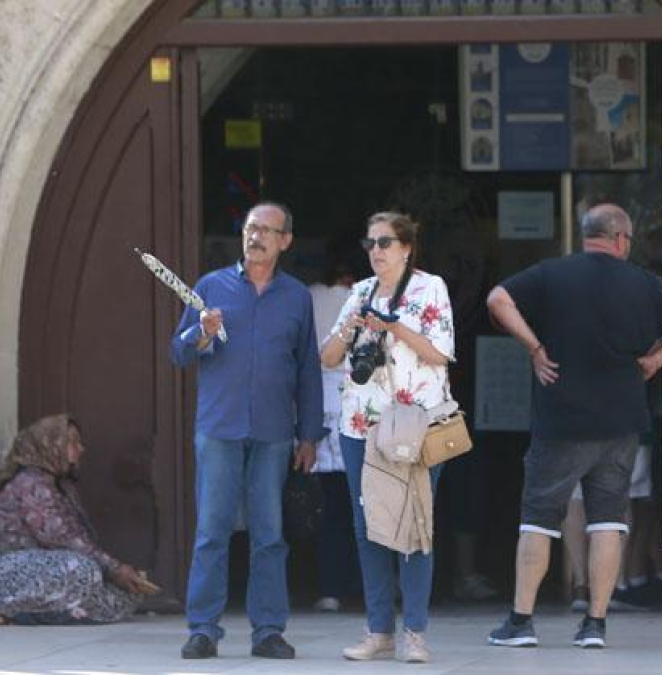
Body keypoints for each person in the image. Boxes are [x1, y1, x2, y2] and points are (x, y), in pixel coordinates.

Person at [486, 203, 662, 649]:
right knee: (609, 521)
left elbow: (497, 299)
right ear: (622, 239)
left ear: (586, 235)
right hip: (621, 424)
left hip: (560, 421)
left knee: (538, 522)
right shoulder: (643, 283)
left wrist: (533, 347)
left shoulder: (552, 274)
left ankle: (521, 621)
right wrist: (656, 360)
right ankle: (595, 624)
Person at [170, 202, 324, 660]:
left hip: (275, 430)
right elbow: (177, 354)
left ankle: (268, 630)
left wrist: (309, 434)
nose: (255, 236)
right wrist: (199, 332)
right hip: (219, 427)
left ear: (285, 241)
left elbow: (307, 370)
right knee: (212, 530)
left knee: (270, 534)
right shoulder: (210, 287)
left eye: (266, 230)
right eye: (250, 228)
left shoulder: (296, 296)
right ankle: (203, 629)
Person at [320, 211, 455, 664]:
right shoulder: (358, 292)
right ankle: (378, 631)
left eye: (384, 242)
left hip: (414, 421)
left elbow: (440, 353)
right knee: (369, 528)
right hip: (362, 424)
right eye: (370, 243)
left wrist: (393, 327)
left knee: (416, 524)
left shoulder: (429, 287)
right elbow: (329, 357)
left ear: (406, 248)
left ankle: (414, 632)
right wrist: (353, 325)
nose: (375, 250)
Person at [0, 414, 156, 625]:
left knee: (128, 593)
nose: (81, 449)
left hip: (49, 571)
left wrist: (116, 574)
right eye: (73, 442)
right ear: (51, 445)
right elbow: (61, 538)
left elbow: (79, 539)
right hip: (4, 573)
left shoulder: (61, 485)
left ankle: (51, 613)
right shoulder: (30, 483)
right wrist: (113, 568)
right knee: (84, 570)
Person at [307, 251, 361, 612]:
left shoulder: (307, 296)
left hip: (319, 413)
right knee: (363, 508)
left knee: (328, 511)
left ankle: (329, 588)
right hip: (359, 411)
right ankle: (369, 588)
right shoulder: (363, 297)